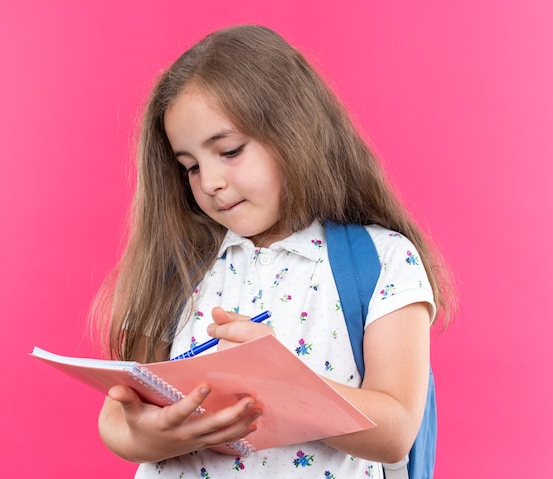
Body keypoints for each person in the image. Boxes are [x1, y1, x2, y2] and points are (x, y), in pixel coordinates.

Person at [94, 24, 455, 478]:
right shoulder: (182, 269)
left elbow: (396, 430)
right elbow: (118, 418)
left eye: (229, 151)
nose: (210, 183)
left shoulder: (382, 260)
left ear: (294, 130)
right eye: (190, 167)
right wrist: (152, 434)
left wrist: (284, 381)